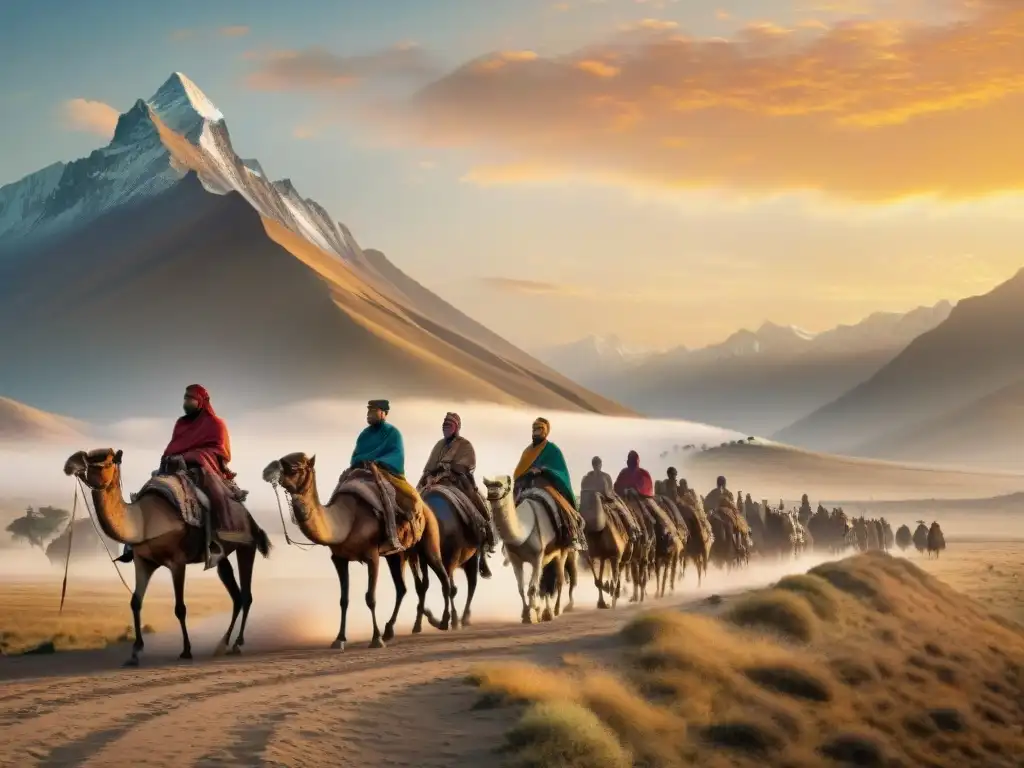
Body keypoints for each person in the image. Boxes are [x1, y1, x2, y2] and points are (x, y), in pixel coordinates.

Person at [115, 384, 236, 569]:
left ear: (201, 401)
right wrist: (169, 458)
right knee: (149, 489)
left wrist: (189, 457)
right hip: (175, 469)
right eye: (185, 398)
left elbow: (220, 451)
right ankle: (133, 540)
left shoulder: (216, 424)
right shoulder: (181, 423)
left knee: (211, 496)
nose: (186, 402)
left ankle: (215, 542)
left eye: (190, 399)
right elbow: (173, 446)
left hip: (203, 469)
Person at [418, 411, 495, 578]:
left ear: (457, 427)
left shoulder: (465, 445)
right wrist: (428, 476)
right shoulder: (439, 445)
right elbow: (429, 466)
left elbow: (468, 464)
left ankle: (484, 538)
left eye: (449, 425)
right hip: (435, 481)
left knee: (477, 504)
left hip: (458, 482)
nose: (445, 427)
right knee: (415, 501)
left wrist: (449, 469)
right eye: (444, 425)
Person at [348, 399, 420, 554]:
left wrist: (378, 462)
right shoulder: (364, 435)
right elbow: (355, 455)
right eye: (368, 411)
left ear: (384, 413)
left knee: (398, 495)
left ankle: (394, 535)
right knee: (343, 486)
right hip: (363, 470)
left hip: (386, 471)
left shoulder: (393, 433)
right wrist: (359, 462)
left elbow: (397, 454)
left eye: (373, 411)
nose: (369, 414)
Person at [512, 417, 586, 550]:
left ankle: (571, 533)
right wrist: (528, 472)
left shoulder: (552, 449)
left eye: (539, 429)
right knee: (511, 507)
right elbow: (518, 472)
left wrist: (543, 470)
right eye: (534, 429)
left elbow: (560, 470)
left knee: (559, 504)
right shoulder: (527, 451)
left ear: (545, 432)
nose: (536, 432)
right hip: (528, 483)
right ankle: (508, 538)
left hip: (545, 484)